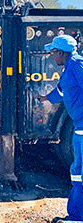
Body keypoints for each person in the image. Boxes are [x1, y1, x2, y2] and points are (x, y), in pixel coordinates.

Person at [37, 35, 83, 223]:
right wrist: (46, 98)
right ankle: (76, 216)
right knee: (78, 172)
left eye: (53, 52)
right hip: (79, 127)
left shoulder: (77, 64)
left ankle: (77, 216)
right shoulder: (69, 67)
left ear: (61, 53)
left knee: (80, 172)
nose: (51, 56)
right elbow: (63, 91)